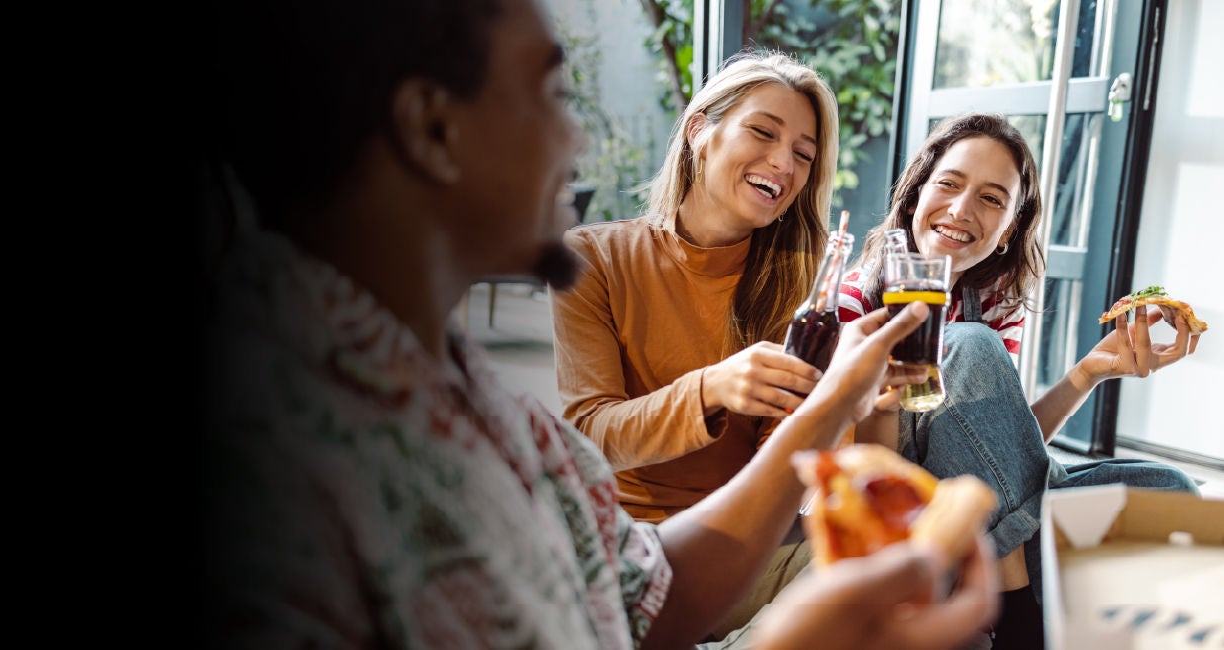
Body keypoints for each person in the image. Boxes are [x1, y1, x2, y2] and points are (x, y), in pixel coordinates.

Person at [200, 0, 1000, 648]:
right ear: (433, 127)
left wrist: (844, 402)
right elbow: (605, 451)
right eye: (551, 94)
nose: (576, 137)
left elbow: (643, 593)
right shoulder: (275, 456)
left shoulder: (486, 409)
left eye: (803, 152)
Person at [838, 112, 1204, 648]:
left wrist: (1086, 373)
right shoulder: (855, 299)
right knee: (967, 343)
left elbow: (998, 445)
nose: (962, 210)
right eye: (949, 183)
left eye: (991, 198)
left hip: (988, 507)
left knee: (1171, 494)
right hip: (916, 504)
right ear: (916, 195)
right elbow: (859, 473)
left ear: (1008, 226)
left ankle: (1042, 595)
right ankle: (1020, 619)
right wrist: (886, 397)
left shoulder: (993, 300)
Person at [550, 51, 869, 636]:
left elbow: (790, 470)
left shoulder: (799, 287)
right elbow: (589, 436)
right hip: (629, 547)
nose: (783, 162)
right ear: (700, 130)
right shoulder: (593, 258)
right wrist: (713, 388)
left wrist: (836, 409)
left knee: (891, 562)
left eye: (803, 154)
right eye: (763, 132)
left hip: (744, 549)